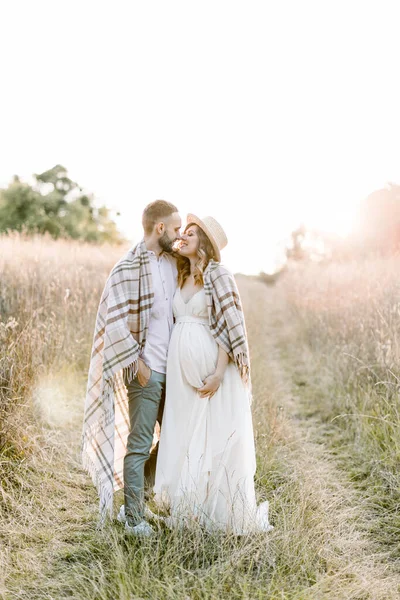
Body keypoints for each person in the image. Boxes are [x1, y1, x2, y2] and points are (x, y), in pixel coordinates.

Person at [153, 215, 273, 535]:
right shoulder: (181, 274)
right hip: (180, 375)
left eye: (192, 233)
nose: (185, 237)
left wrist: (219, 372)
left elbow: (229, 326)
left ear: (204, 242)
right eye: (184, 233)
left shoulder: (219, 275)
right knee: (183, 432)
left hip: (212, 370)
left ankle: (215, 513)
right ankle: (187, 507)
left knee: (211, 434)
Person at [81, 200, 181, 536]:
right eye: (176, 227)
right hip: (148, 372)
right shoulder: (127, 267)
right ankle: (133, 516)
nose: (180, 234)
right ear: (160, 227)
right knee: (139, 445)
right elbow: (114, 324)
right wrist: (139, 368)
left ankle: (140, 498)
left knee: (176, 440)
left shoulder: (173, 263)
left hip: (177, 373)